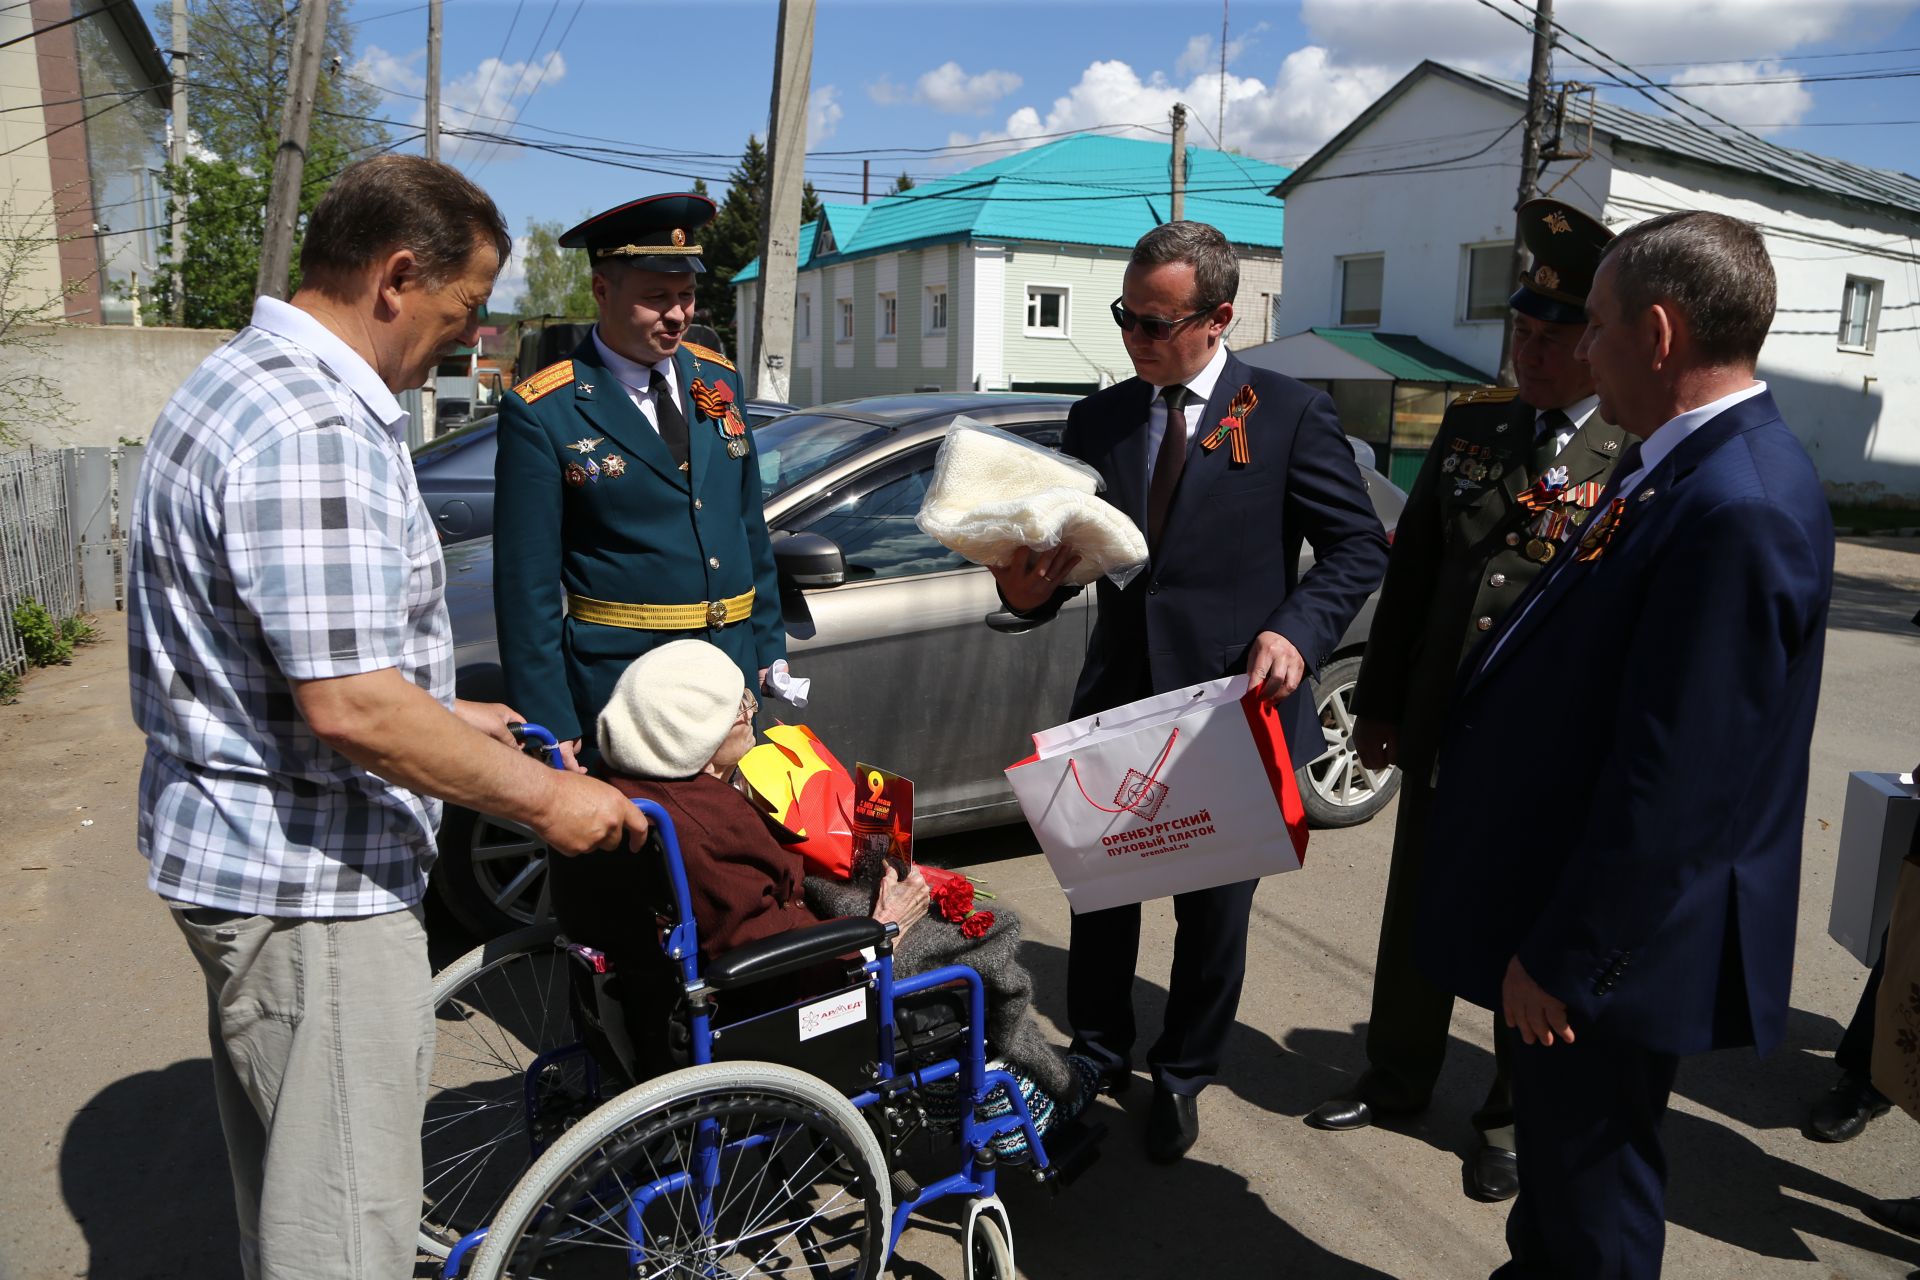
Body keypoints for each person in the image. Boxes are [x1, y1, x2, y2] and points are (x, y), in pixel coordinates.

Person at [126, 155, 649, 1280]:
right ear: (398, 276)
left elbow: (293, 657)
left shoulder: (243, 380)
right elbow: (351, 705)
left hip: (249, 861)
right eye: (462, 311)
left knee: (295, 1194)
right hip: (312, 890)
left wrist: (451, 712)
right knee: (346, 1232)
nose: (463, 342)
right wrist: (553, 798)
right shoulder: (314, 422)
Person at [1417, 210, 1834, 1278]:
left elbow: (1680, 779)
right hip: (1576, 906)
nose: (1579, 349)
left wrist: (1566, 955)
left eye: (1595, 326)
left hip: (1607, 941)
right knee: (1561, 1190)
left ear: (1656, 334)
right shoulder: (1682, 466)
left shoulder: (1739, 501)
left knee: (1596, 1200)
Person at [992, 220, 1389, 1162]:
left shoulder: (1290, 413)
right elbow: (1057, 561)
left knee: (1213, 916)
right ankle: (1096, 1053)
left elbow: (1356, 546)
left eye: (1155, 323)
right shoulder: (1101, 420)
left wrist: (1295, 630)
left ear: (1218, 318)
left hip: (1229, 715)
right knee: (1102, 897)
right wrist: (1024, 589)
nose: (1134, 337)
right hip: (1122, 703)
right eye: (1125, 317)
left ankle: (1184, 1073)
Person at [1305, 198, 1630, 1204]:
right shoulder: (1474, 425)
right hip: (1443, 719)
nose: (1529, 352)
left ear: (1597, 344)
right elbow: (1416, 581)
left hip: (1544, 745)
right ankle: (1397, 1073)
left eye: (1553, 336)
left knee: (1522, 930)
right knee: (1419, 908)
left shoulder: (1630, 451)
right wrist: (1383, 702)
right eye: (1521, 331)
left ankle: (1506, 1116)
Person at [552, 639, 1099, 1157]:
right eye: (737, 707)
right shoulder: (702, 828)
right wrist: (886, 927)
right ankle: (1039, 1091)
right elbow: (754, 947)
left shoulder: (622, 789)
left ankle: (1012, 1079)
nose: (750, 710)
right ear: (691, 735)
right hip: (788, 992)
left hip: (677, 983)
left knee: (914, 897)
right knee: (982, 935)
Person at [493, 191, 784, 770]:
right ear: (603, 290)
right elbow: (526, 589)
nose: (678, 315)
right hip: (624, 695)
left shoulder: (719, 380)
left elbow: (748, 525)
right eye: (656, 298)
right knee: (635, 855)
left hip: (730, 688)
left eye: (687, 295)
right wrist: (551, 719)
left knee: (733, 851)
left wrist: (768, 651)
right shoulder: (544, 409)